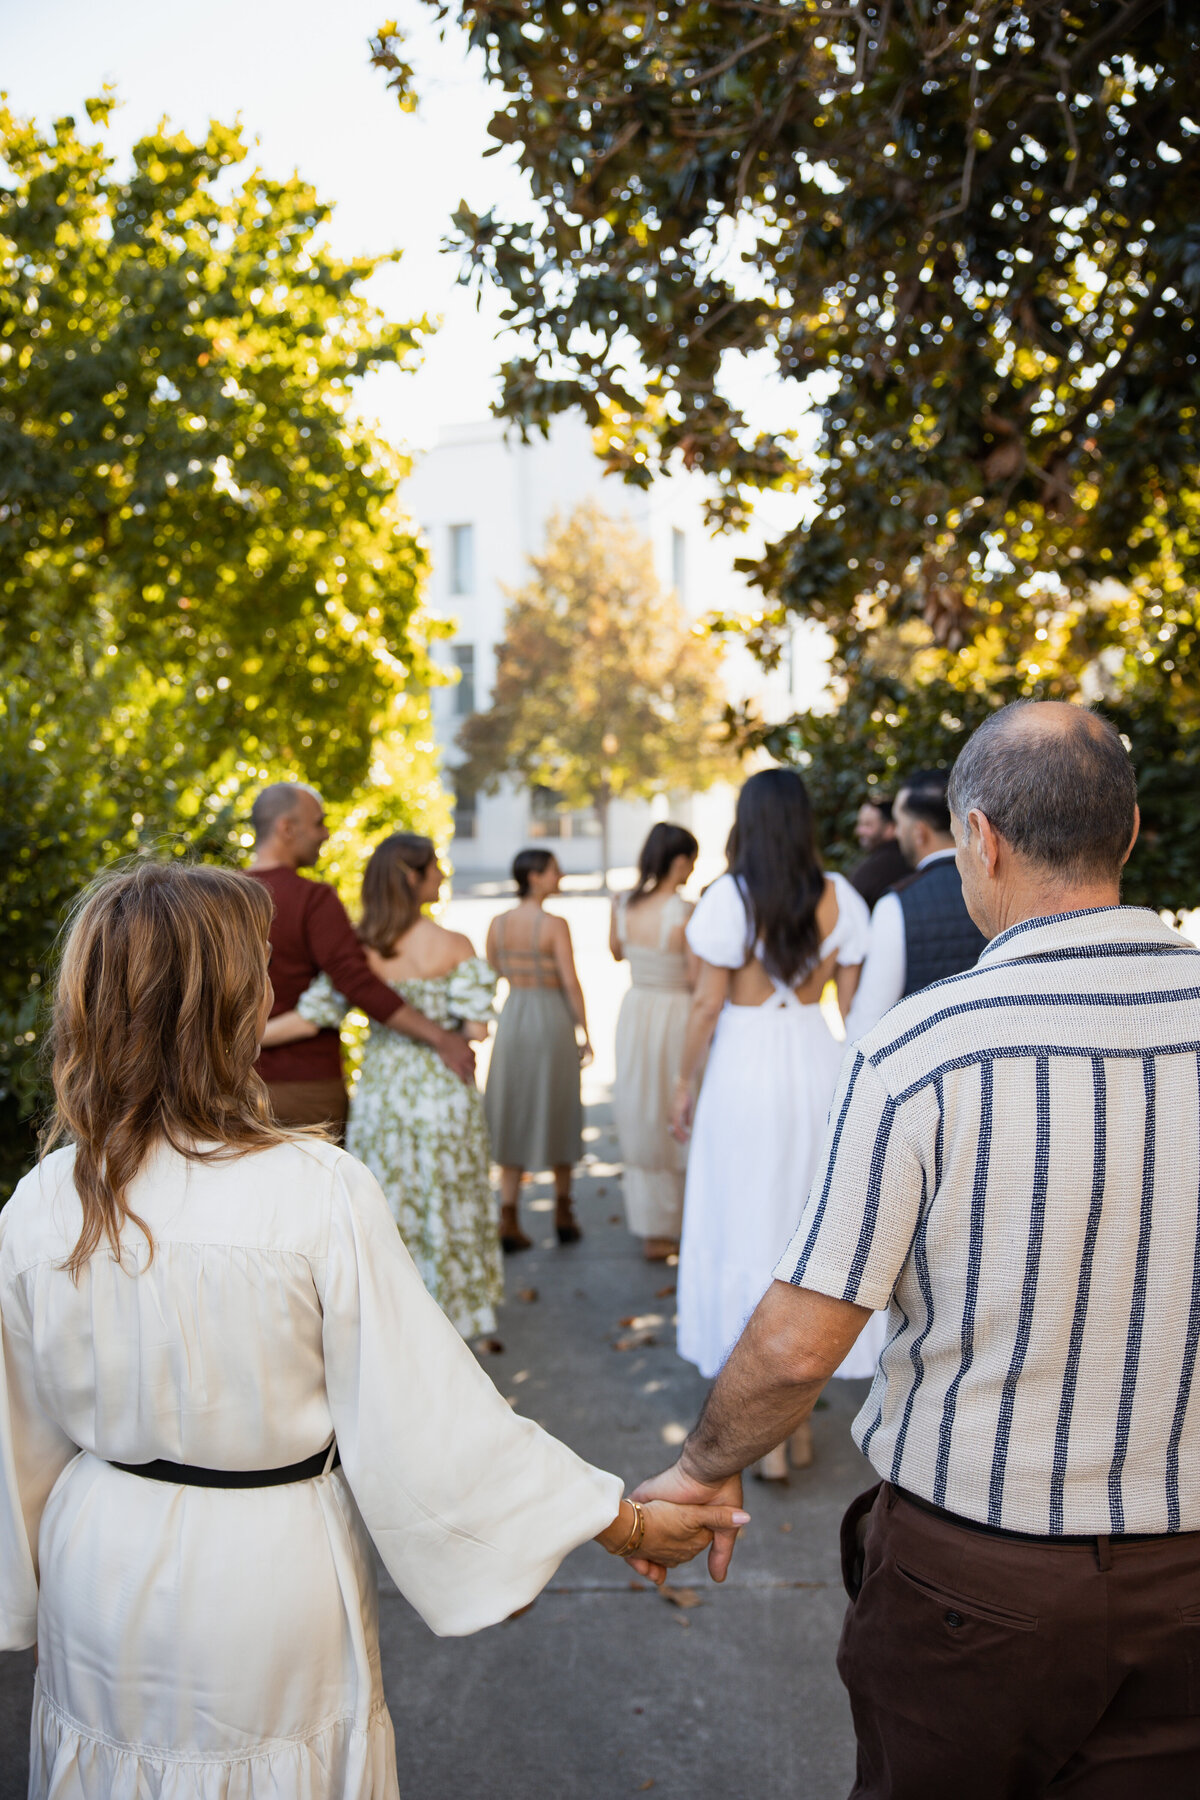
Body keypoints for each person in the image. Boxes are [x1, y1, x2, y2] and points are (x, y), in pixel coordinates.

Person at [0, 861, 749, 1799]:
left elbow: (16, 1443)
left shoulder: (43, 1202)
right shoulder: (313, 1191)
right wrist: (622, 1518)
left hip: (96, 1562)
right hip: (266, 1571)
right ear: (233, 1004)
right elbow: (427, 1415)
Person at [635, 702, 1200, 1798]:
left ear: (978, 838)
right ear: (1126, 837)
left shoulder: (921, 1054)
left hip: (976, 1586)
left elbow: (802, 1346)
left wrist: (701, 1469)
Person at [668, 768, 874, 1479]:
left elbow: (703, 1006)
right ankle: (797, 1425)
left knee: (746, 1223)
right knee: (803, 1232)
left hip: (745, 1067)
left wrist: (682, 1082)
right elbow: (855, 1011)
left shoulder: (729, 898)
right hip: (817, 1061)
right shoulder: (841, 896)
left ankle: (761, 1436)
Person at [261, 833, 505, 1347]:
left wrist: (238, 1037)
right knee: (449, 1200)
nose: (441, 876)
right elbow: (477, 1030)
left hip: (384, 1097)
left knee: (390, 1206)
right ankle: (457, 1321)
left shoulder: (362, 948)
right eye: (434, 868)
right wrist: (453, 1035)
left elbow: (309, 1018)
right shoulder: (455, 946)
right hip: (443, 1090)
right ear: (413, 879)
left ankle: (395, 1323)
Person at [246, 783, 473, 1136]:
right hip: (306, 1087)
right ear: (287, 828)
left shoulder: (221, 899)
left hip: (234, 1086)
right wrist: (443, 1039)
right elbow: (356, 982)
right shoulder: (313, 899)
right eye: (319, 823)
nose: (326, 833)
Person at [485, 850, 592, 1252]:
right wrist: (585, 1030)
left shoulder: (497, 924)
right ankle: (563, 1215)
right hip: (550, 1019)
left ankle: (508, 1216)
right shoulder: (554, 925)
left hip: (514, 1017)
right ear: (534, 876)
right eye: (553, 869)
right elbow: (570, 981)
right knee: (558, 1107)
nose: (560, 874)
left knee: (513, 1109)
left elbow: (490, 978)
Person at [610, 823, 699, 1262]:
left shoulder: (622, 903)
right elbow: (695, 976)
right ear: (679, 862)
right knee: (680, 1108)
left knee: (640, 1109)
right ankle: (682, 1223)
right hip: (675, 1012)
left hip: (636, 1008)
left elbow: (616, 952)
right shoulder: (685, 911)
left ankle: (651, 1228)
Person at [845, 767, 987, 1041]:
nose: (896, 833)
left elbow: (869, 1020)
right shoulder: (1001, 885)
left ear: (920, 832)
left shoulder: (896, 904)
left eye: (899, 824)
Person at [847, 796, 908, 910]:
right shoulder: (915, 858)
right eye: (860, 824)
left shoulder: (870, 871)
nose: (859, 831)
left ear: (891, 828)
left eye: (868, 825)